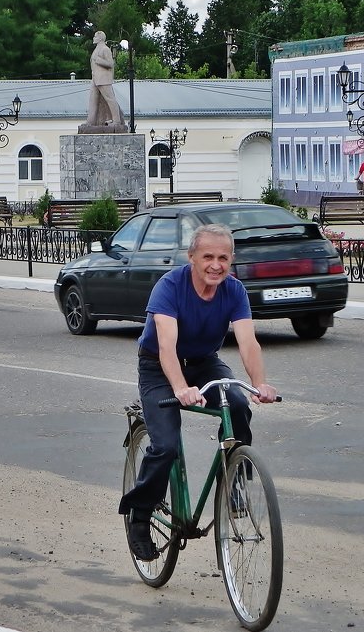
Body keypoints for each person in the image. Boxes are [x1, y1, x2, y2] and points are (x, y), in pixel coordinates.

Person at [118, 223, 278, 561]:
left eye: (223, 257)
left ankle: (233, 482)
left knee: (236, 403)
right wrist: (180, 388)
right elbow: (166, 346)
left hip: (205, 361)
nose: (216, 265)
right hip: (160, 368)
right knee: (165, 445)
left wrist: (259, 384)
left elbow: (248, 342)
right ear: (192, 257)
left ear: (231, 260)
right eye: (208, 256)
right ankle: (140, 516)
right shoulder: (170, 287)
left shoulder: (233, 291)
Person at [85, 30, 126, 129]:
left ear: (100, 38)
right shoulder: (96, 49)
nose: (93, 38)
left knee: (110, 99)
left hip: (103, 79)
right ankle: (91, 122)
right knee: (93, 100)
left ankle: (116, 121)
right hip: (95, 78)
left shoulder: (105, 49)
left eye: (95, 36)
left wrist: (99, 61)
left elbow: (111, 64)